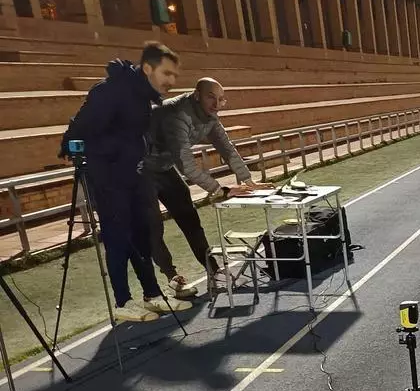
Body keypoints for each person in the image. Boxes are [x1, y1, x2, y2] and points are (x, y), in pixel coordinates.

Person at [60, 41, 191, 322]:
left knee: (142, 234)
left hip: (132, 173)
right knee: (118, 237)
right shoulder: (111, 90)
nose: (171, 81)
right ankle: (122, 301)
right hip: (107, 177)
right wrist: (111, 157)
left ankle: (152, 294)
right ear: (148, 69)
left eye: (174, 75)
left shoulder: (141, 95)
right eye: (167, 73)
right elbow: (81, 129)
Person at [142, 77, 269, 297]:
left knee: (190, 217)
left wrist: (249, 181)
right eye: (211, 97)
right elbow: (187, 165)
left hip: (164, 166)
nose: (216, 104)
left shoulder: (209, 115)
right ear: (196, 95)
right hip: (139, 168)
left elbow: (226, 147)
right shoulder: (177, 114)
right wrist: (220, 189)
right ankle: (172, 277)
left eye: (221, 99)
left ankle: (213, 270)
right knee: (153, 226)